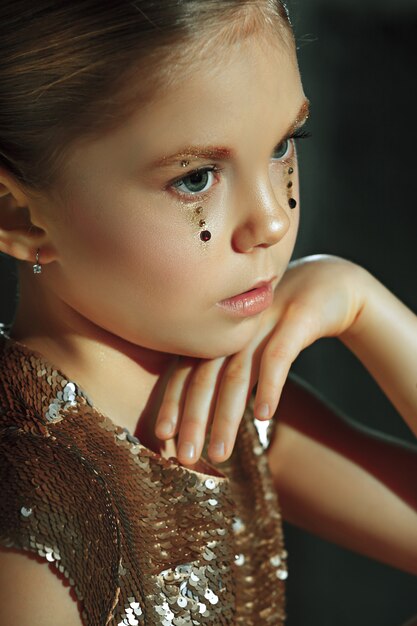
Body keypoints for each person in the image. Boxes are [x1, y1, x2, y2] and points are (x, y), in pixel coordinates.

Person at [0, 1, 416, 625]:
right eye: (195, 178)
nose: (273, 220)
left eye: (283, 146)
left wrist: (363, 305)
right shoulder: (32, 518)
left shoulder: (227, 404)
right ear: (20, 217)